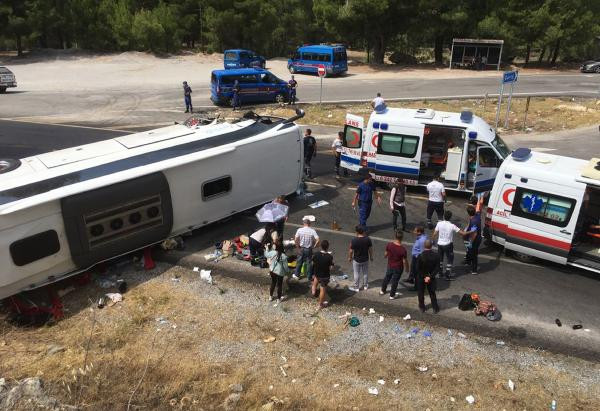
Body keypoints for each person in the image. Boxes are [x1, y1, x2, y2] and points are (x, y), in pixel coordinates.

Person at [432, 210, 471, 280]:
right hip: (448, 245)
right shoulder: (452, 226)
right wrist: (471, 231)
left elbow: (434, 233)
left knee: (440, 259)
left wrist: (433, 241)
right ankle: (447, 275)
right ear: (450, 217)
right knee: (450, 259)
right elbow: (463, 233)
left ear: (444, 216)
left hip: (440, 244)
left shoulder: (439, 223)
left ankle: (440, 273)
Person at [380, 230, 409, 299]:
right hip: (398, 267)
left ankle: (383, 290)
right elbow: (404, 261)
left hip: (390, 265)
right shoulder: (403, 249)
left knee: (387, 277)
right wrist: (407, 268)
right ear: (402, 238)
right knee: (395, 281)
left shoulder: (389, 245)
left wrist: (385, 256)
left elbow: (386, 254)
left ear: (395, 236)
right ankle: (392, 295)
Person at [416, 240, 440, 313]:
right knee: (432, 293)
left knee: (421, 292)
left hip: (421, 277)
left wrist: (424, 276)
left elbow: (418, 269)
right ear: (431, 246)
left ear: (424, 246)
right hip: (431, 278)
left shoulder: (420, 256)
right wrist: (429, 276)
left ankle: (422, 307)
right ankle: (435, 308)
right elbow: (437, 268)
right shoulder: (436, 256)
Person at [293, 216, 319, 281]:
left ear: (303, 223)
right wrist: (315, 246)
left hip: (301, 248)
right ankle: (309, 277)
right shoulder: (312, 231)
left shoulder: (299, 230)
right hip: (309, 249)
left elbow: (295, 239)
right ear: (309, 224)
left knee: (299, 261)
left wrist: (297, 246)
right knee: (309, 263)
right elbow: (318, 239)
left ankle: (297, 275)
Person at [348, 225, 373, 292]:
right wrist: (371, 257)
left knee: (356, 273)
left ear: (357, 232)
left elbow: (351, 251)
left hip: (357, 260)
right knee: (365, 273)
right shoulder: (368, 239)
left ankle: (356, 287)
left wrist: (350, 257)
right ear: (363, 232)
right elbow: (370, 249)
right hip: (365, 259)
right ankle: (365, 286)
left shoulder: (354, 240)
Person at [311, 240, 334, 308]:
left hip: (317, 273)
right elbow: (331, 268)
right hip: (325, 276)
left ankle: (313, 291)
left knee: (316, 279)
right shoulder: (329, 257)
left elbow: (312, 263)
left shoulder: (316, 254)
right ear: (327, 247)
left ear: (321, 246)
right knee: (322, 290)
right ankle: (320, 304)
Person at [464, 205, 482, 275]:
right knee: (469, 249)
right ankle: (468, 262)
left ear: (468, 213)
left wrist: (470, 241)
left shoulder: (474, 221)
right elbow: (478, 209)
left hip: (475, 239)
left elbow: (474, 234)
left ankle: (474, 270)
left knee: (473, 254)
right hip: (473, 238)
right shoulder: (477, 215)